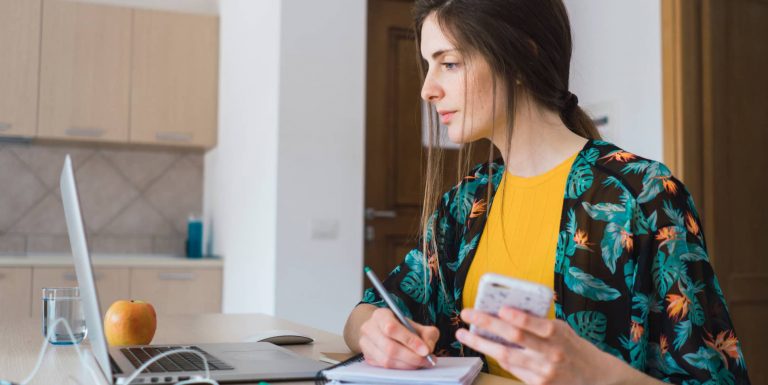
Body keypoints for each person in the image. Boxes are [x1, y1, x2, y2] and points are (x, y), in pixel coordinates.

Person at [343, 0, 750, 384]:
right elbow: (369, 310)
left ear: (522, 56)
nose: (427, 89)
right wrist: (371, 332)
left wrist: (597, 375)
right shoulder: (467, 202)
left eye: (449, 63)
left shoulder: (642, 195)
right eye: (428, 66)